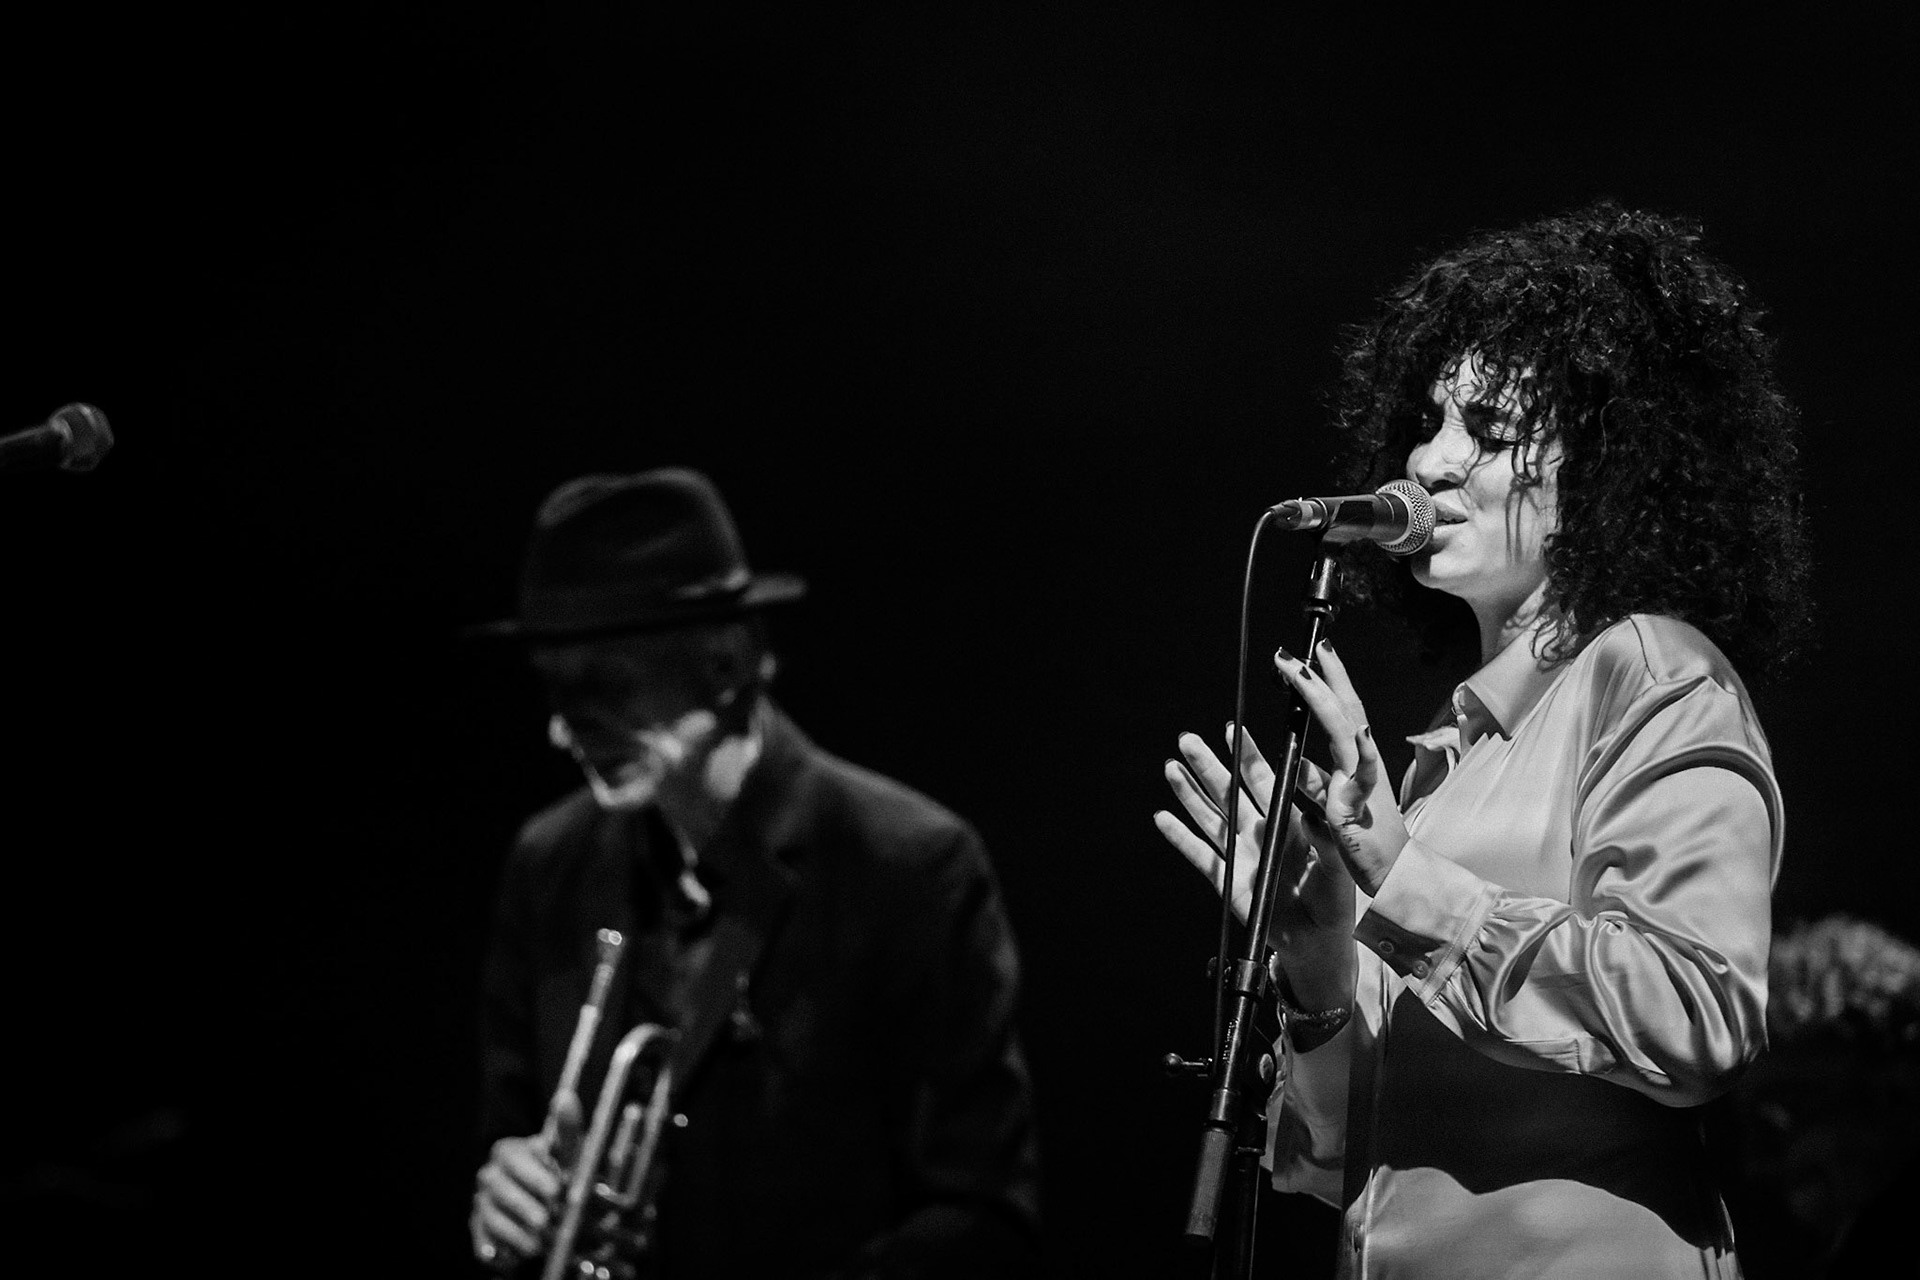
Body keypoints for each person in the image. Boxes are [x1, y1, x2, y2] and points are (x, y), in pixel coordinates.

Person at [1155, 202, 1813, 1278]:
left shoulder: (1652, 673)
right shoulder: (1444, 764)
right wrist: (1316, 952)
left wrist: (1407, 878)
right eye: (1433, 418)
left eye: (1491, 433)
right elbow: (1339, 1164)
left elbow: (1698, 1013)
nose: (1432, 460)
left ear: (1603, 471)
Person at [466, 468, 1041, 1278]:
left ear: (727, 664)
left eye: (604, 684)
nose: (564, 729)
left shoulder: (909, 865)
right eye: (555, 690)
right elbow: (510, 1136)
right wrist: (504, 1203)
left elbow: (983, 1218)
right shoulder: (547, 864)